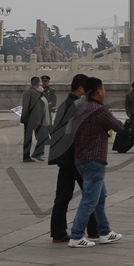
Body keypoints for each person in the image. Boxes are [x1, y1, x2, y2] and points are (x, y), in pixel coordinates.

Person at [67, 78, 127, 247]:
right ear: (99, 91)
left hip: (80, 159)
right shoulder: (99, 109)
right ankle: (77, 236)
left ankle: (105, 232)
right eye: (104, 89)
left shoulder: (80, 106)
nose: (105, 92)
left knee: (99, 197)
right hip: (94, 159)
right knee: (89, 199)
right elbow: (119, 127)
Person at [47, 75, 100, 244]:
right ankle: (93, 230)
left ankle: (58, 232)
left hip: (65, 158)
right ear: (81, 89)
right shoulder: (78, 106)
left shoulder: (64, 104)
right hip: (77, 158)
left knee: (62, 196)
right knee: (90, 195)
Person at [20, 76, 44, 162]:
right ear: (38, 83)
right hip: (33, 119)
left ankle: (26, 156)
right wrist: (38, 119)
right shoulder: (35, 94)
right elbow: (36, 108)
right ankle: (37, 153)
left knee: (27, 138)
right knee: (42, 136)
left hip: (26, 119)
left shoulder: (26, 93)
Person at [33, 76, 56, 158]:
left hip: (48, 111)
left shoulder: (51, 90)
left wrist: (53, 111)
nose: (45, 82)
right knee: (42, 128)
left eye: (46, 81)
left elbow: (54, 100)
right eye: (43, 81)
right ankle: (45, 139)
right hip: (41, 112)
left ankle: (53, 138)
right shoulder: (39, 90)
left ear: (48, 82)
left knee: (49, 126)